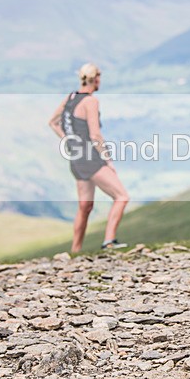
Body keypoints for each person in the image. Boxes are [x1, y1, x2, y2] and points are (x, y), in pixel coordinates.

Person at [48, 63, 130, 253]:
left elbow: (53, 122)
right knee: (122, 196)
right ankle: (109, 241)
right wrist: (108, 160)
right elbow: (95, 135)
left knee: (85, 206)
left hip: (76, 158)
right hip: (91, 158)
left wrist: (69, 140)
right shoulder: (91, 102)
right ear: (95, 79)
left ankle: (75, 251)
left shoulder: (70, 97)